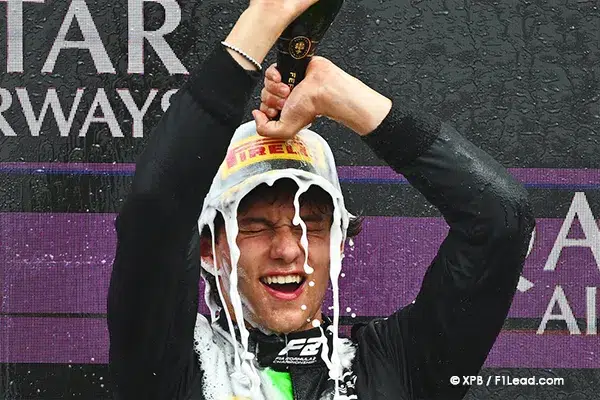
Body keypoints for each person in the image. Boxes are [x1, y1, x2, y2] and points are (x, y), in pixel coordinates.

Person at [107, 0, 535, 399]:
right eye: (256, 226)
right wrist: (264, 18)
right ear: (209, 248)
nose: (289, 250)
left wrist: (342, 98)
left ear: (340, 242)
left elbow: (501, 220)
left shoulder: (397, 368)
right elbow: (156, 210)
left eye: (312, 225)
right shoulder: (170, 363)